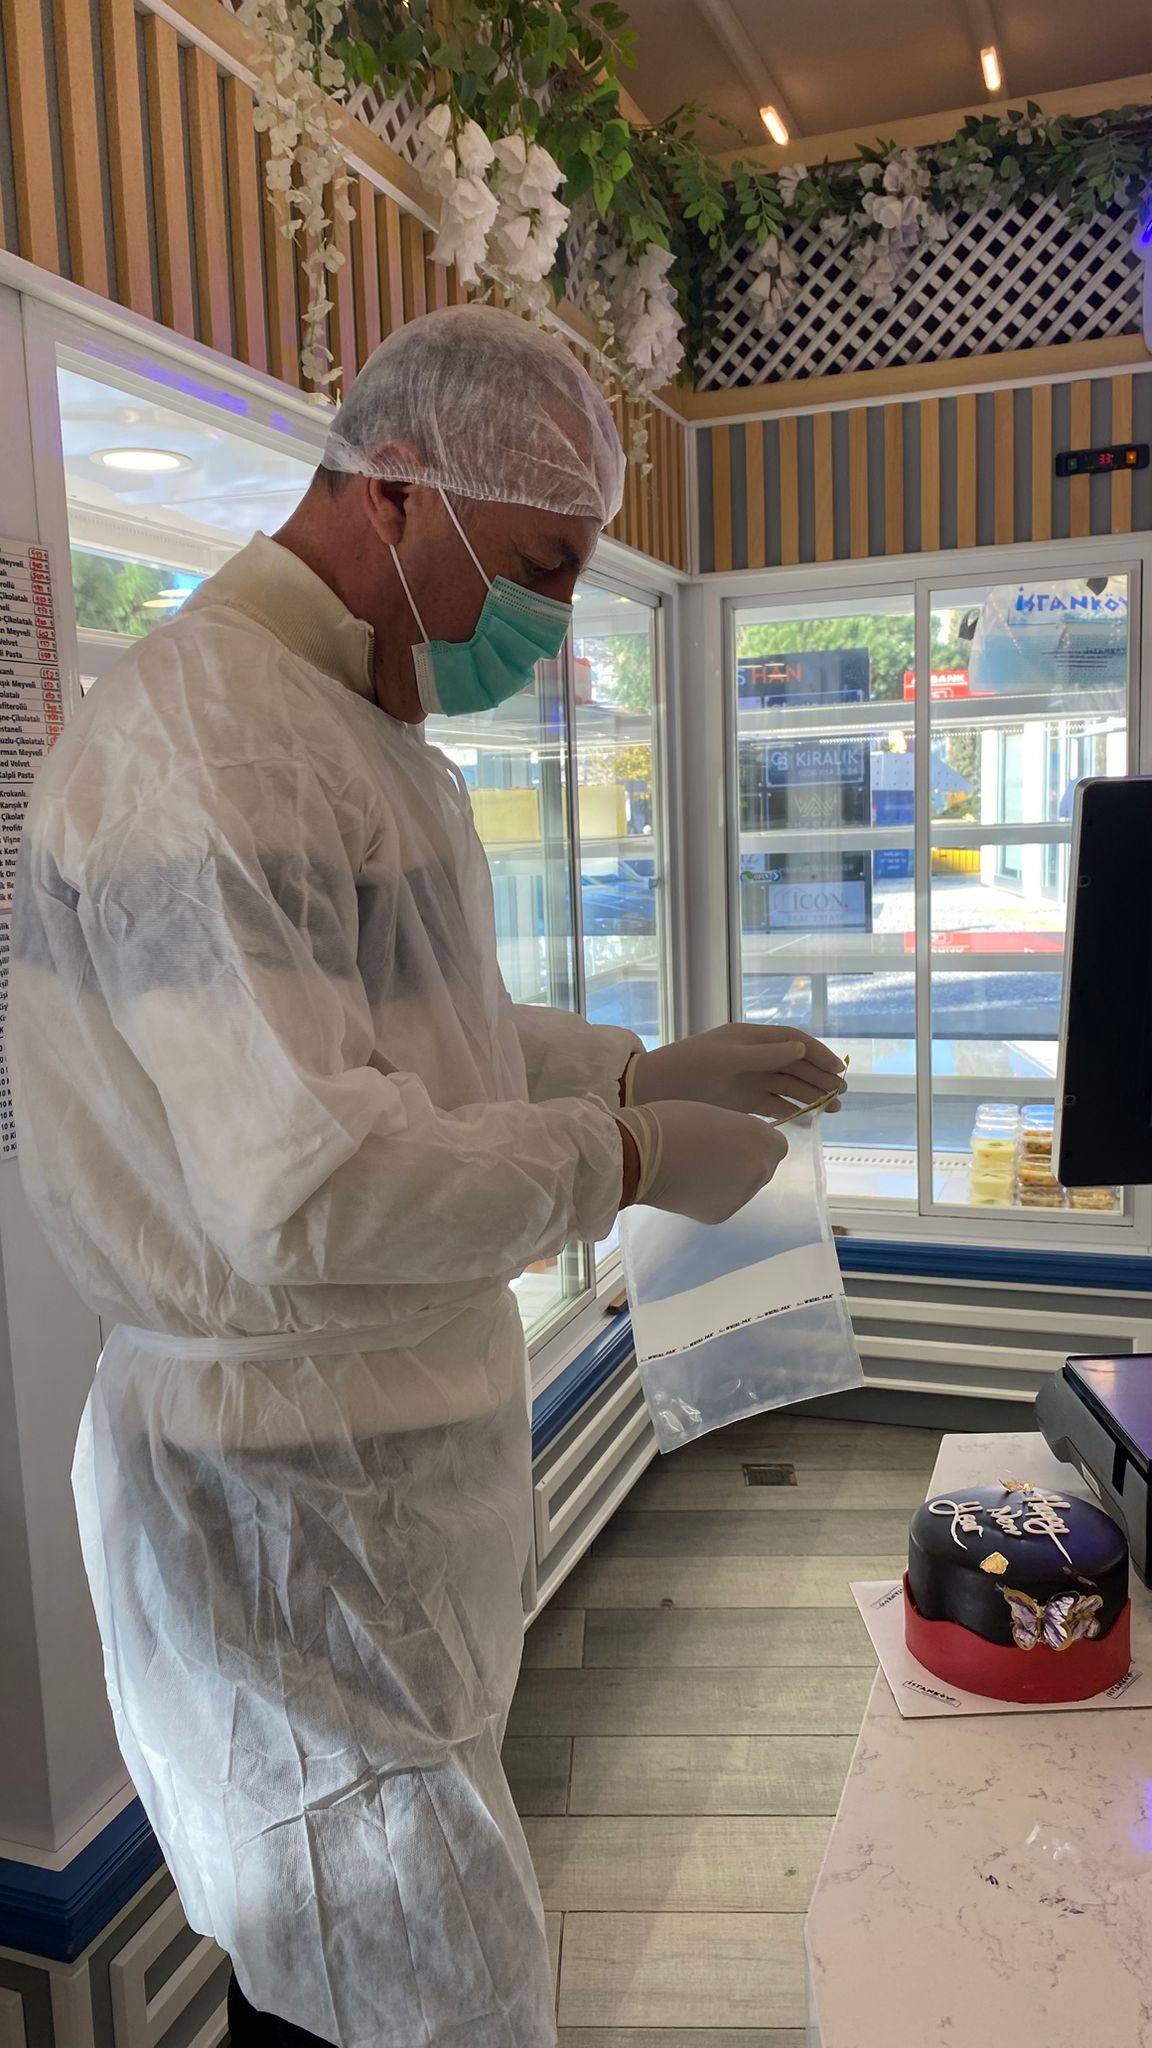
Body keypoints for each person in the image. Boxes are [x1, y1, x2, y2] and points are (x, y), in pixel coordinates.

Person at [7, 305, 845, 2048]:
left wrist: (631, 1070)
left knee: (376, 1964)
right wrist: (623, 1153)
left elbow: (410, 1037)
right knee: (395, 1984)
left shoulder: (341, 732)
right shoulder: (212, 752)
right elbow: (308, 1190)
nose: (548, 625)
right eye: (540, 570)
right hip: (284, 1502)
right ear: (394, 490)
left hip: (368, 1479)